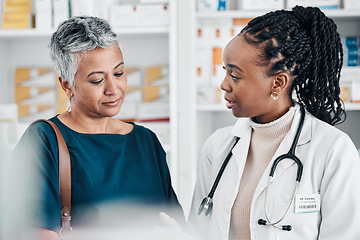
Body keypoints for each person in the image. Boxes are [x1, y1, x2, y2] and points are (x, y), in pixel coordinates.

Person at [189, 6, 360, 240]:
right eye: (225, 72)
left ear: (278, 83)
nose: (224, 85)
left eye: (235, 75)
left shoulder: (333, 150)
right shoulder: (217, 147)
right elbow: (197, 232)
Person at [7, 16, 183, 240]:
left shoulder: (146, 142)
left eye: (119, 73)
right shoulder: (44, 141)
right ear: (67, 85)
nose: (113, 89)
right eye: (98, 80)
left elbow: (174, 226)